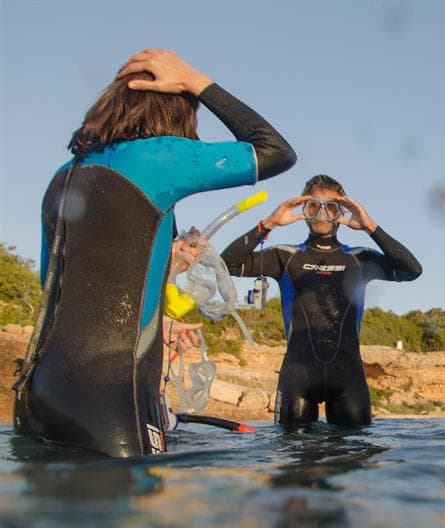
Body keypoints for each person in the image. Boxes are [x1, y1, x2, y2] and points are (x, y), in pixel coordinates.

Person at [13, 49, 296, 457]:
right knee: (134, 498)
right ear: (177, 107)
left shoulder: (65, 174)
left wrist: (157, 322)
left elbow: (62, 291)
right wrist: (197, 81)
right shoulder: (158, 157)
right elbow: (276, 151)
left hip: (40, 393)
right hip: (110, 394)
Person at [221, 174, 422, 427]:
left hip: (348, 378)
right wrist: (269, 223)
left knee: (354, 450)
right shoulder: (286, 256)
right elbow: (228, 264)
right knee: (291, 451)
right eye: (314, 206)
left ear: (343, 212)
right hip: (297, 378)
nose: (322, 214)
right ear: (304, 211)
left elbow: (412, 270)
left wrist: (370, 227)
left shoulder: (360, 259)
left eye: (332, 207)